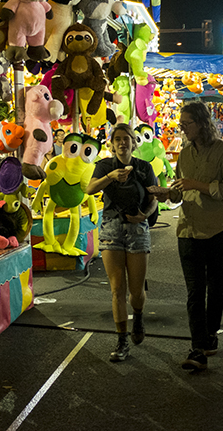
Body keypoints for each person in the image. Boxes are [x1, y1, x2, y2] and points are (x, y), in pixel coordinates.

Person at [148, 102, 223, 372]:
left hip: (218, 229)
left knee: (215, 286)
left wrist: (195, 185)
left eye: (186, 123)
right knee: (194, 291)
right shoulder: (185, 154)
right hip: (188, 229)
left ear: (201, 123)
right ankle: (198, 346)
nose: (183, 128)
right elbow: (180, 191)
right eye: (181, 124)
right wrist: (167, 193)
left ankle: (210, 335)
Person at [87, 123, 159, 363]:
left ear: (133, 142)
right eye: (117, 139)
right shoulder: (105, 165)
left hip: (138, 229)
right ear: (111, 143)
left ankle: (137, 316)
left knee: (136, 291)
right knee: (117, 288)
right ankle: (121, 341)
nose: (121, 143)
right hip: (111, 228)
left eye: (126, 138)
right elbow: (89, 189)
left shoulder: (143, 167)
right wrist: (110, 177)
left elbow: (154, 198)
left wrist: (145, 215)